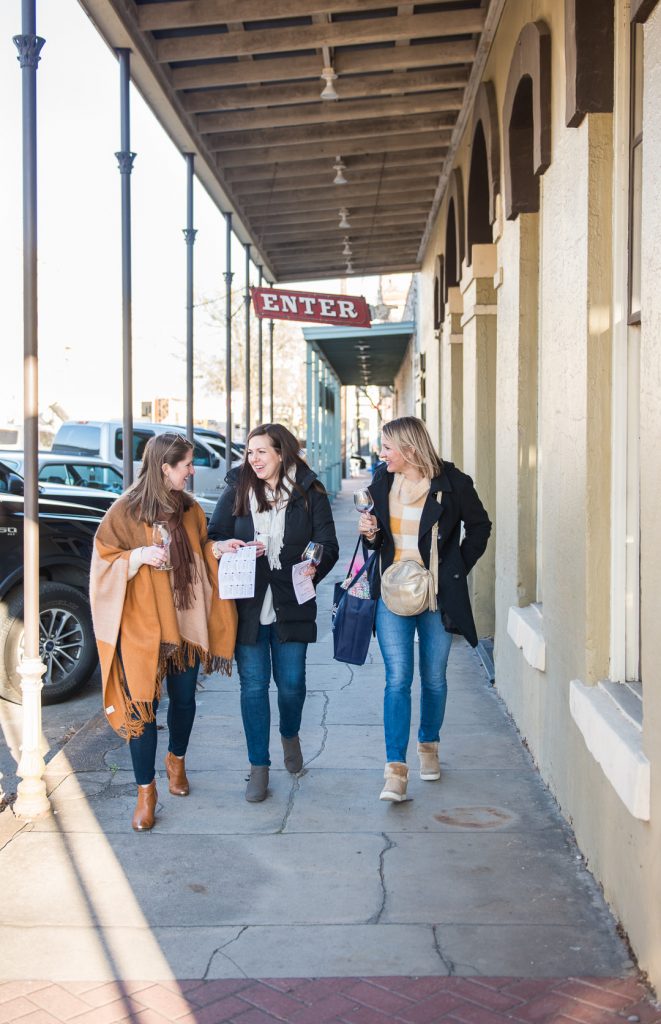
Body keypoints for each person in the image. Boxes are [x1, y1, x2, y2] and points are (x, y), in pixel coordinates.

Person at [90, 432, 238, 831]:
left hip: (185, 622)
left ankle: (177, 760)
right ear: (164, 468)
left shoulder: (190, 510)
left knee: (185, 700)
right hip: (141, 625)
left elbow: (201, 546)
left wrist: (218, 551)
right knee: (143, 708)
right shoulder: (124, 511)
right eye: (187, 464)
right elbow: (104, 561)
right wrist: (137, 557)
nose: (192, 471)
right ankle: (145, 792)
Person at [358, 416, 491, 803]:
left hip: (435, 597)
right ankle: (395, 771)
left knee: (434, 677)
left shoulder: (452, 484)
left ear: (409, 449)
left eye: (387, 447)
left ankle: (429, 745)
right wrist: (370, 534)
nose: (381, 454)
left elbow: (480, 527)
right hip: (392, 595)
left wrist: (453, 570)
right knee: (397, 679)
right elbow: (377, 542)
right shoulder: (382, 482)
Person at [208, 423, 339, 803]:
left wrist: (314, 564)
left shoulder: (309, 491)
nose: (254, 459)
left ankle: (290, 733)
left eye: (262, 451)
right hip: (247, 607)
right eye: (250, 453)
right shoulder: (237, 488)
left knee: (292, 685)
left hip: (292, 602)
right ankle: (258, 767)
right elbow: (212, 535)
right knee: (252, 689)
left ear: (281, 452)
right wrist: (225, 547)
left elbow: (326, 541)